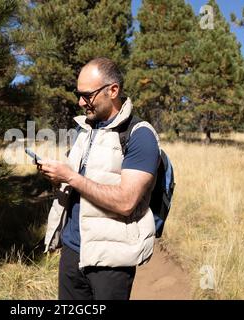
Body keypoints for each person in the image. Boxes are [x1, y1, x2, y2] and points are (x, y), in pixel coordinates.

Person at [37, 57, 160, 300]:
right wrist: (59, 178)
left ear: (113, 90)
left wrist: (70, 177)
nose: (80, 102)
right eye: (78, 94)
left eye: (87, 95)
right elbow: (81, 184)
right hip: (72, 251)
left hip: (111, 260)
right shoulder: (85, 130)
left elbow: (126, 202)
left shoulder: (140, 136)